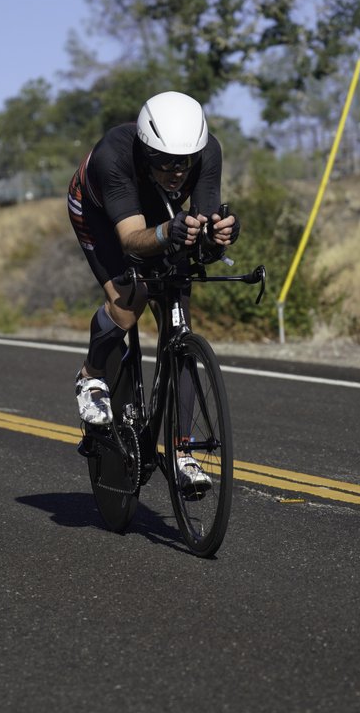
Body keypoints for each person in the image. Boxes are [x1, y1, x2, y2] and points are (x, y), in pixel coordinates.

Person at [66, 90, 240, 495]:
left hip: (158, 214)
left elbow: (203, 229)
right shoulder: (115, 156)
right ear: (145, 149)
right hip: (98, 212)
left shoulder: (208, 152)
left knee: (179, 313)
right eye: (163, 162)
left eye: (185, 162)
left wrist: (219, 236)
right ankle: (91, 376)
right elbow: (129, 240)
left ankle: (183, 452)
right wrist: (168, 232)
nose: (176, 171)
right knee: (130, 302)